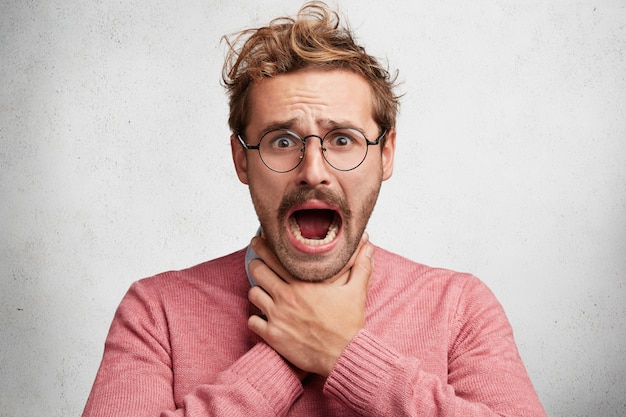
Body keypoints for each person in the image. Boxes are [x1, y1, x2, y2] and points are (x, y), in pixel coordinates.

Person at [82, 2, 547, 416]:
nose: (313, 171)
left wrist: (346, 352)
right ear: (241, 159)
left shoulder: (459, 307)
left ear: (385, 155)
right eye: (281, 141)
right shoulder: (155, 311)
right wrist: (284, 356)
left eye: (342, 140)